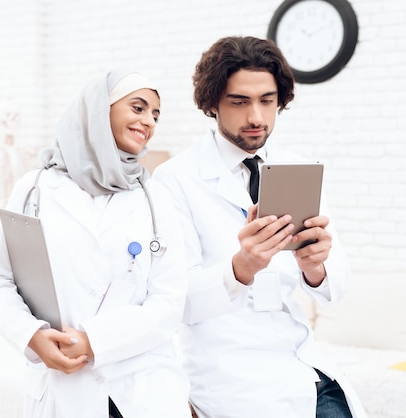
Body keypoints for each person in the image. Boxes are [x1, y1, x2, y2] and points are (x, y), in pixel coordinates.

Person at [153, 36, 367, 418]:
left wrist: (315, 267)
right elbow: (175, 302)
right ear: (212, 103)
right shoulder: (174, 180)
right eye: (239, 102)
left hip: (306, 370)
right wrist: (241, 268)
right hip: (231, 377)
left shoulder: (297, 168)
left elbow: (337, 288)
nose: (256, 117)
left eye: (267, 101)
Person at [0, 70, 192, 418]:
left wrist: (95, 341)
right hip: (62, 386)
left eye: (155, 114)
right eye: (138, 108)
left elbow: (170, 299)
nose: (149, 122)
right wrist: (31, 335)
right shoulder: (35, 188)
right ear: (99, 109)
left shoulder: (154, 197)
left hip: (143, 386)